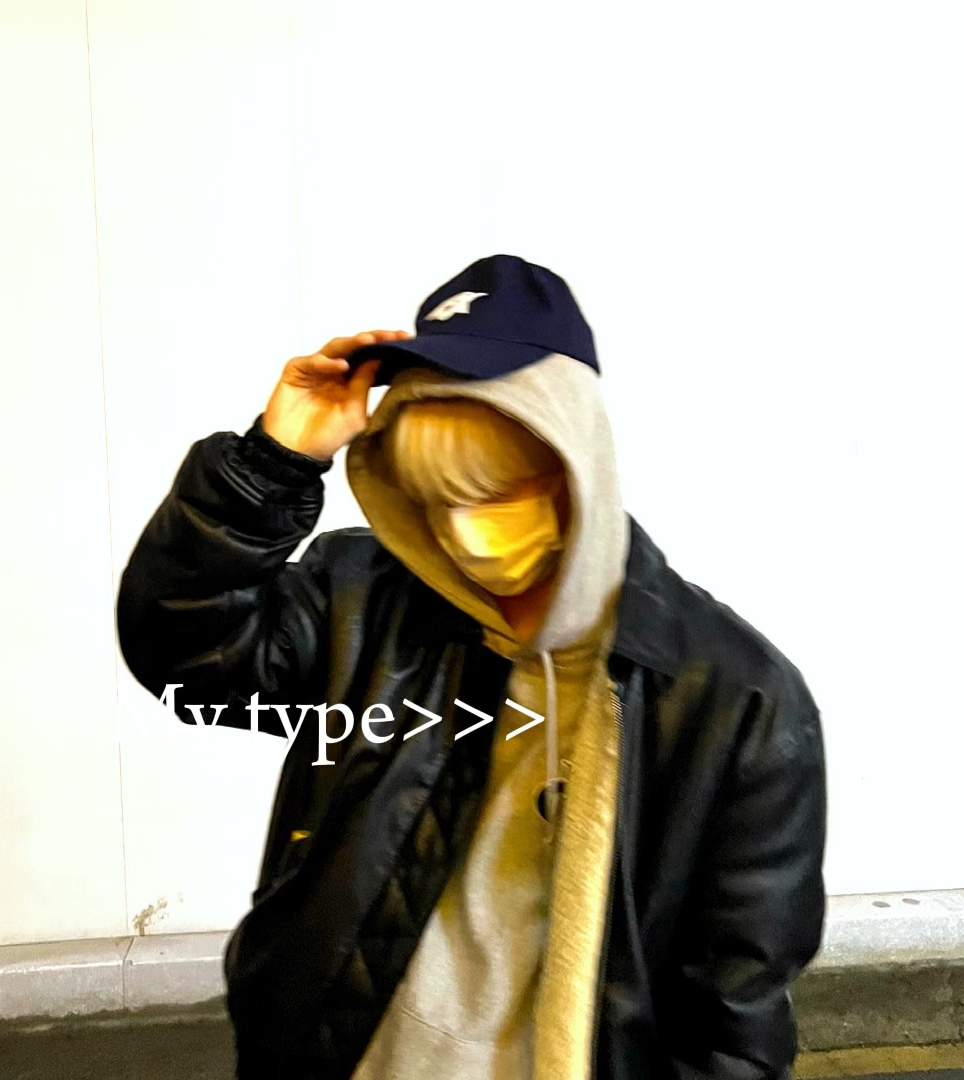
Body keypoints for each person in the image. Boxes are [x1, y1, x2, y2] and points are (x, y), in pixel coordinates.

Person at [116, 254, 827, 1080]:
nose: (461, 533)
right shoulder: (362, 599)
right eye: (433, 495)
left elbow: (731, 1020)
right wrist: (271, 463)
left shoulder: (737, 700)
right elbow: (188, 655)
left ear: (577, 464)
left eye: (497, 490)